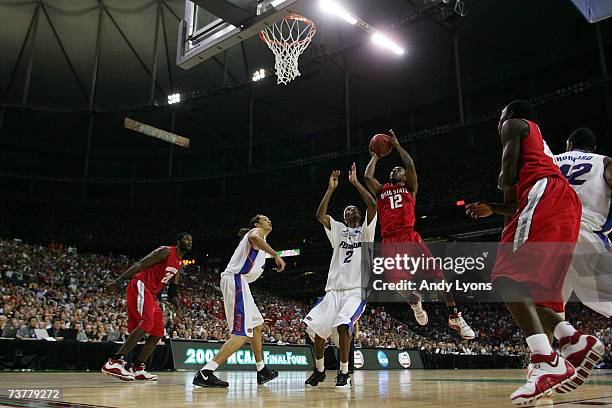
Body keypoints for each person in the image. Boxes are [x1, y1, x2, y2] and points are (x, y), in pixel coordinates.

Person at [465, 101, 604, 404]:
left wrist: (502, 184)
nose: (499, 124)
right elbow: (517, 200)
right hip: (564, 208)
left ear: (510, 116)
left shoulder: (514, 125)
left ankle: (548, 358)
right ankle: (569, 342)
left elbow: (507, 178)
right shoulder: (544, 151)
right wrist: (494, 208)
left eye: (500, 118)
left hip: (546, 195)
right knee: (531, 292)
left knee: (505, 276)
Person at [364, 129, 474, 339]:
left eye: (399, 169)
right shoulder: (381, 191)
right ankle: (415, 301)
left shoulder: (410, 188)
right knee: (396, 285)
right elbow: (368, 176)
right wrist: (375, 157)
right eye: (394, 169)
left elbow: (410, 165)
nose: (397, 169)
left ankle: (454, 316)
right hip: (390, 240)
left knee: (439, 276)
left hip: (409, 236)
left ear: (404, 176)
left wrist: (397, 146)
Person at [304, 163, 377, 389]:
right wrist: (330, 189)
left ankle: (344, 373)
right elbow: (320, 215)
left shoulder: (366, 231)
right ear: (344, 217)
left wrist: (355, 183)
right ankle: (319, 371)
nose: (350, 210)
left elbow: (372, 205)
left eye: (353, 209)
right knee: (316, 330)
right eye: (346, 210)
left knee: (344, 326)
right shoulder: (338, 230)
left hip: (355, 290)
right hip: (333, 290)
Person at [192, 215, 286, 388]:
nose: (269, 220)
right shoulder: (255, 233)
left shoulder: (261, 240)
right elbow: (253, 238)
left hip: (240, 283)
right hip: (235, 280)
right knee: (241, 335)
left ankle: (262, 370)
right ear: (257, 224)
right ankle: (205, 372)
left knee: (257, 326)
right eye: (264, 219)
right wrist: (276, 255)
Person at [101, 232, 192, 381]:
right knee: (146, 323)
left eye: (191, 240)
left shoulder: (180, 263)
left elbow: (173, 289)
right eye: (186, 239)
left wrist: (178, 309)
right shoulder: (165, 251)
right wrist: (118, 281)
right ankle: (114, 362)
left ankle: (138, 367)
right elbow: (141, 264)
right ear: (178, 241)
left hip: (152, 294)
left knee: (157, 332)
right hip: (141, 285)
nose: (189, 241)